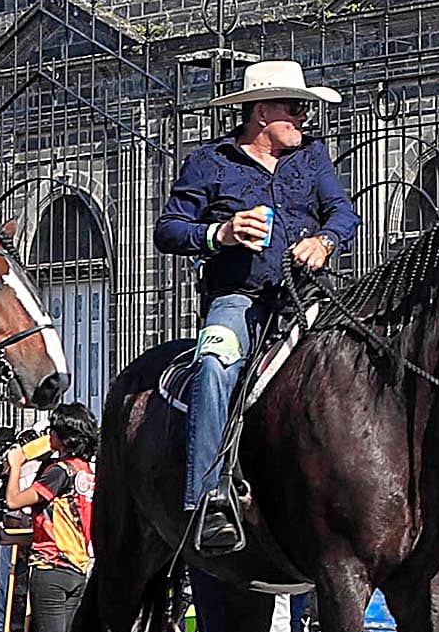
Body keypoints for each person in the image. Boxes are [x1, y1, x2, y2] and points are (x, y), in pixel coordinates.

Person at [150, 59, 359, 560]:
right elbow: (169, 228)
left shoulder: (313, 158)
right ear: (262, 112)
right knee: (214, 364)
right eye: (295, 108)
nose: (304, 119)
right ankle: (208, 500)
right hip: (238, 299)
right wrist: (218, 234)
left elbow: (343, 211)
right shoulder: (209, 162)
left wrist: (326, 242)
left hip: (310, 297)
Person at [0, 406, 97, 632]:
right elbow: (61, 525)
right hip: (77, 567)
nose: (47, 436)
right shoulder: (86, 472)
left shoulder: (57, 471)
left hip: (50, 569)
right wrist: (14, 538)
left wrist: (15, 466)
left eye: (52, 430)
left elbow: (14, 501)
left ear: (64, 437)